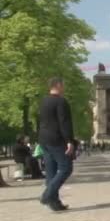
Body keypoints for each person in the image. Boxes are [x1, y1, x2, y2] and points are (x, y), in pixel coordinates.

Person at [38, 77, 75, 211]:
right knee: (66, 168)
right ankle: (47, 195)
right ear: (58, 85)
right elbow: (64, 123)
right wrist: (69, 141)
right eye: (63, 84)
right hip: (56, 139)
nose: (64, 87)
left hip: (43, 139)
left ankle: (54, 203)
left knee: (51, 172)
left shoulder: (43, 101)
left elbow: (40, 121)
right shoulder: (61, 101)